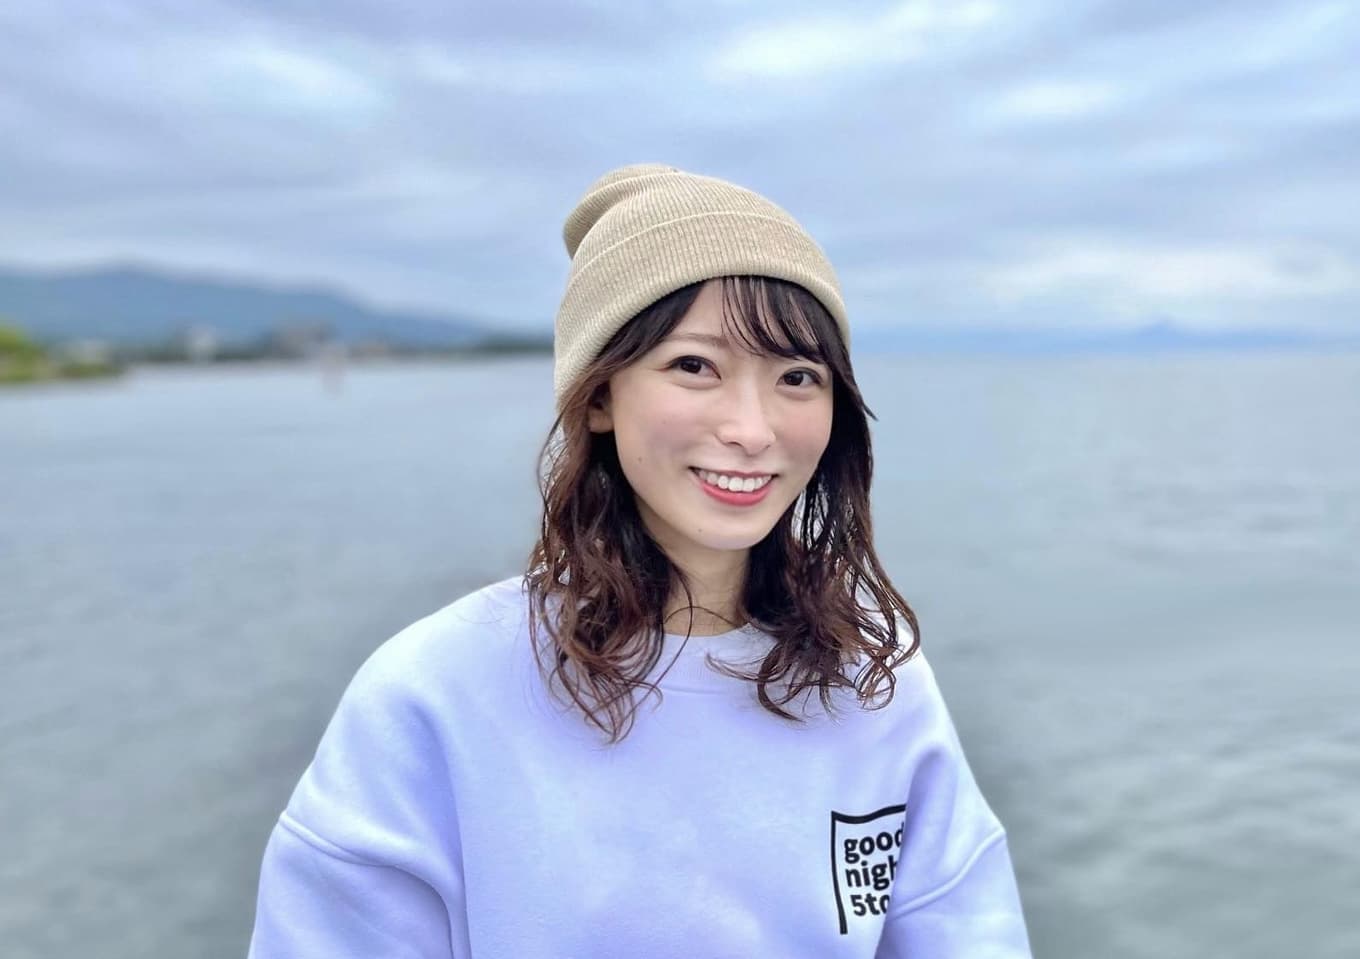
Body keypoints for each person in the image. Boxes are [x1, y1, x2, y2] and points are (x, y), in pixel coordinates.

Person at [246, 164, 1033, 957]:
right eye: (695, 365)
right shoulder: (432, 695)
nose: (753, 429)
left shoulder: (875, 681)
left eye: (797, 376)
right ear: (599, 395)